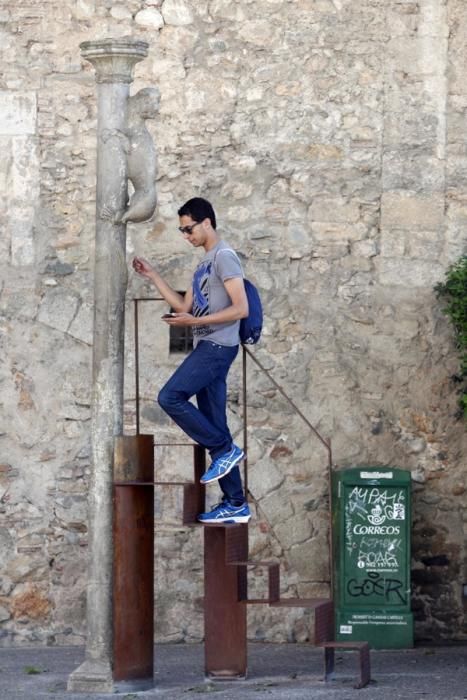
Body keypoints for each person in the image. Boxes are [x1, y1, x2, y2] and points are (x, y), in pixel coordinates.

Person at [132, 197, 251, 524]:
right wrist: (154, 276)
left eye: (189, 229)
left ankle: (226, 451)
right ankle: (236, 502)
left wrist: (192, 325)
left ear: (207, 222)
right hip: (206, 346)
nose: (186, 235)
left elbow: (241, 309)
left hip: (216, 347)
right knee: (215, 424)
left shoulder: (225, 258)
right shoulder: (204, 263)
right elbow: (186, 307)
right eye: (182, 231)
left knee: (170, 396)